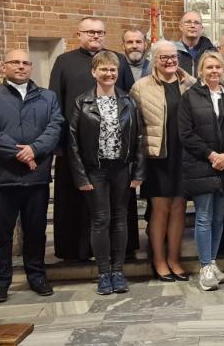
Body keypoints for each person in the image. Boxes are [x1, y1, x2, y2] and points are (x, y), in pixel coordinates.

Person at [0, 50, 63, 303]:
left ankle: (37, 276)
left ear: (31, 67)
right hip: (2, 177)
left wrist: (35, 149)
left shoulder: (47, 97)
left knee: (36, 231)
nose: (21, 66)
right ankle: (0, 282)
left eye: (25, 63)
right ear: (4, 66)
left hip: (36, 176)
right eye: (15, 62)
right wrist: (21, 154)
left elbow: (55, 127)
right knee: (1, 234)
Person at [49, 17, 138, 261]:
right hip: (76, 148)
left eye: (100, 32)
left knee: (117, 208)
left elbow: (130, 98)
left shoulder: (118, 60)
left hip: (115, 151)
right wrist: (59, 144)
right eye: (90, 32)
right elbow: (55, 102)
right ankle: (76, 249)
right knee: (77, 202)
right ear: (78, 34)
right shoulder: (64, 62)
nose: (96, 36)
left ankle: (119, 251)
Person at [68, 51, 145, 295]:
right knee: (101, 220)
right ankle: (103, 273)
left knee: (120, 219)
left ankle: (118, 272)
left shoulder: (128, 101)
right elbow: (72, 141)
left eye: (112, 69)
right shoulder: (82, 102)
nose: (109, 73)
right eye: (103, 69)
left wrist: (138, 172)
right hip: (96, 170)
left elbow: (139, 138)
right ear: (94, 72)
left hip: (121, 169)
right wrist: (81, 176)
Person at [129, 40, 196, 282]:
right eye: (163, 57)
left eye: (173, 57)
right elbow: (134, 127)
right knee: (160, 209)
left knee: (179, 207)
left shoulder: (190, 83)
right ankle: (158, 260)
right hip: (157, 156)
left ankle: (174, 259)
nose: (169, 61)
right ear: (154, 60)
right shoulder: (140, 87)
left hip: (184, 155)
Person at [179, 51, 224, 291]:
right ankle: (204, 266)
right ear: (201, 71)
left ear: (223, 70)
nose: (214, 71)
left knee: (218, 218)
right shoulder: (190, 97)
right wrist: (211, 155)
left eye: (218, 67)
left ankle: (213, 261)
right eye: (209, 67)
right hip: (202, 165)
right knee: (204, 217)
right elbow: (186, 133)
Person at [175, 11, 215, 77]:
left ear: (202, 28)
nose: (192, 26)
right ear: (181, 26)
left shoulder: (212, 52)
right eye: (188, 22)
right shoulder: (173, 52)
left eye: (196, 23)